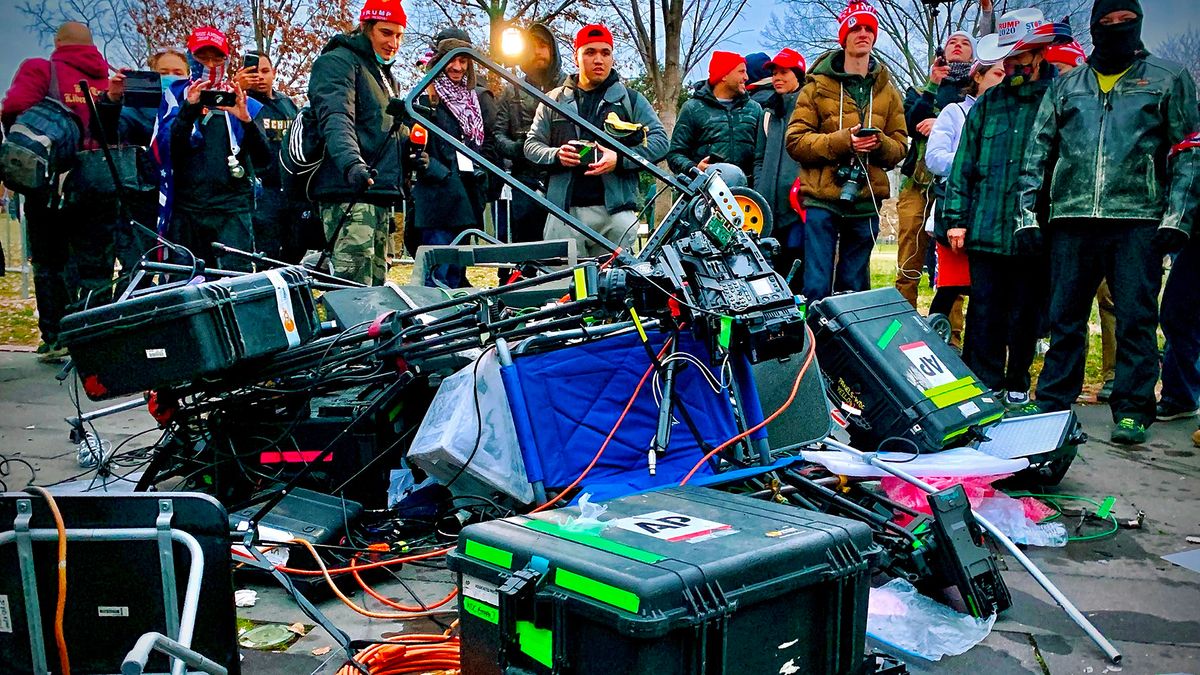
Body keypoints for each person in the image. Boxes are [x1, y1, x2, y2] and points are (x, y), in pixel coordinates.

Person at [1018, 0, 1199, 444]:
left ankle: (1135, 408)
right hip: (1072, 216)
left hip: (1138, 219)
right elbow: (1037, 152)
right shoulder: (1066, 86)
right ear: (1095, 26)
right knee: (1065, 318)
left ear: (1139, 24)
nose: (1117, 29)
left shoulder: (1168, 78)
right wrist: (1027, 216)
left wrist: (1177, 217)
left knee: (1137, 317)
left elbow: (1190, 150)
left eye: (1126, 22)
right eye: (1107, 22)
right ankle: (1054, 405)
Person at [941, 8, 1065, 407]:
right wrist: (956, 219)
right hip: (985, 227)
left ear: (1038, 55)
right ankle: (985, 382)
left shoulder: (1058, 100)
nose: (1010, 65)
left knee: (1025, 311)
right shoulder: (988, 104)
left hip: (1035, 231)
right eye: (1006, 58)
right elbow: (962, 165)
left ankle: (1017, 381)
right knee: (984, 311)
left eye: (1019, 57)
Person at [1, 22, 120, 362]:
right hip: (97, 178)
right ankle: (94, 334)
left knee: (49, 261)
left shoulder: (40, 69)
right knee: (96, 263)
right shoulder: (106, 81)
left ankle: (55, 337)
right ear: (91, 45)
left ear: (57, 43)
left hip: (50, 181)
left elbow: (14, 107)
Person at [785, 1, 907, 302]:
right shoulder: (815, 86)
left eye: (869, 28)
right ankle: (813, 348)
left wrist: (878, 143)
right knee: (816, 286)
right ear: (843, 36)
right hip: (822, 199)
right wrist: (843, 141)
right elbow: (795, 141)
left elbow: (901, 146)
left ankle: (845, 350)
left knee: (855, 289)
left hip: (865, 202)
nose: (863, 33)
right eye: (855, 28)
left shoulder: (888, 90)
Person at [524, 24, 669, 258]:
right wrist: (556, 155)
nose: (598, 59)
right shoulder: (554, 100)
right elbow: (531, 145)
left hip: (616, 216)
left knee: (617, 288)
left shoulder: (631, 101)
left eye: (605, 52)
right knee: (564, 289)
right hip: (564, 214)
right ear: (576, 56)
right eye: (590, 52)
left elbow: (661, 142)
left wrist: (620, 159)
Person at [308, 0, 408, 286]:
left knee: (377, 290)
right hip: (349, 193)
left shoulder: (383, 74)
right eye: (386, 33)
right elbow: (336, 118)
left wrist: (410, 154)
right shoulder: (337, 63)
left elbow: (378, 128)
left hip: (379, 193)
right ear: (366, 28)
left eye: (399, 35)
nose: (393, 43)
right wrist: (352, 163)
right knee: (354, 288)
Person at [157, 27, 269, 273]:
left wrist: (246, 121)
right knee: (187, 282)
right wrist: (190, 109)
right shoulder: (174, 98)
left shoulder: (245, 102)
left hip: (232, 212)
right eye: (202, 58)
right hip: (188, 211)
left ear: (227, 61)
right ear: (190, 59)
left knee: (235, 281)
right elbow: (168, 151)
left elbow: (264, 159)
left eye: (217, 58)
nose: (210, 64)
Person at [1044, 38, 1118, 401]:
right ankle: (1065, 383)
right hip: (1069, 218)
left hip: (1114, 216)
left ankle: (1114, 376)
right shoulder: (1054, 106)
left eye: (1058, 70)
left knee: (1112, 302)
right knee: (1068, 305)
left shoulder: (1107, 103)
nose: (1054, 78)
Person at [894, 30, 978, 347]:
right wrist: (932, 84)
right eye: (952, 41)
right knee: (909, 258)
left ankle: (950, 338)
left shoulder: (974, 95)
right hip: (917, 184)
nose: (957, 44)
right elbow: (910, 117)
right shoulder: (921, 89)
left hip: (954, 189)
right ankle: (902, 333)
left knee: (951, 263)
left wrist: (940, 120)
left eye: (965, 42)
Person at [409, 33, 496, 288]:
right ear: (438, 61)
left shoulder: (473, 98)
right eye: (450, 60)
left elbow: (486, 140)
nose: (457, 67)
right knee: (437, 276)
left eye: (463, 60)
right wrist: (437, 171)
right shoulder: (424, 97)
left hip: (467, 195)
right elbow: (412, 146)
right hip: (438, 199)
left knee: (457, 274)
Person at [926, 61, 1005, 323]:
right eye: (998, 72)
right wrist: (970, 162)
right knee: (949, 287)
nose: (1004, 78)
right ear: (978, 76)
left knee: (987, 291)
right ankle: (934, 342)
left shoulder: (1007, 115)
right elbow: (934, 158)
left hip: (993, 212)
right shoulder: (955, 112)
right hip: (956, 207)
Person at [492, 23, 565, 251]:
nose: (537, 52)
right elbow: (497, 134)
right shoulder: (511, 89)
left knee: (561, 246)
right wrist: (517, 148)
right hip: (524, 178)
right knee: (524, 245)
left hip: (561, 177)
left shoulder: (570, 88)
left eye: (542, 46)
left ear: (552, 49)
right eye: (532, 47)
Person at [236, 51, 302, 262]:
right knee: (266, 254)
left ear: (274, 73)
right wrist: (237, 87)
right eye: (253, 72)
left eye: (265, 71)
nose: (260, 77)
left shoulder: (287, 104)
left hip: (292, 191)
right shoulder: (241, 104)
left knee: (294, 250)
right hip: (260, 191)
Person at [753, 47, 807, 287]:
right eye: (774, 72)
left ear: (798, 74)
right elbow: (759, 158)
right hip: (768, 214)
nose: (777, 78)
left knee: (798, 270)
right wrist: (759, 189)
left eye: (784, 72)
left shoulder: (811, 110)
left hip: (798, 211)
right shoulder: (768, 114)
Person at [666, 51, 761, 181]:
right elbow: (675, 154)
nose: (746, 77)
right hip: (703, 194)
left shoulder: (754, 109)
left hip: (745, 195)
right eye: (741, 72)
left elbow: (762, 157)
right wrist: (694, 169)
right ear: (724, 76)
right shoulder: (693, 108)